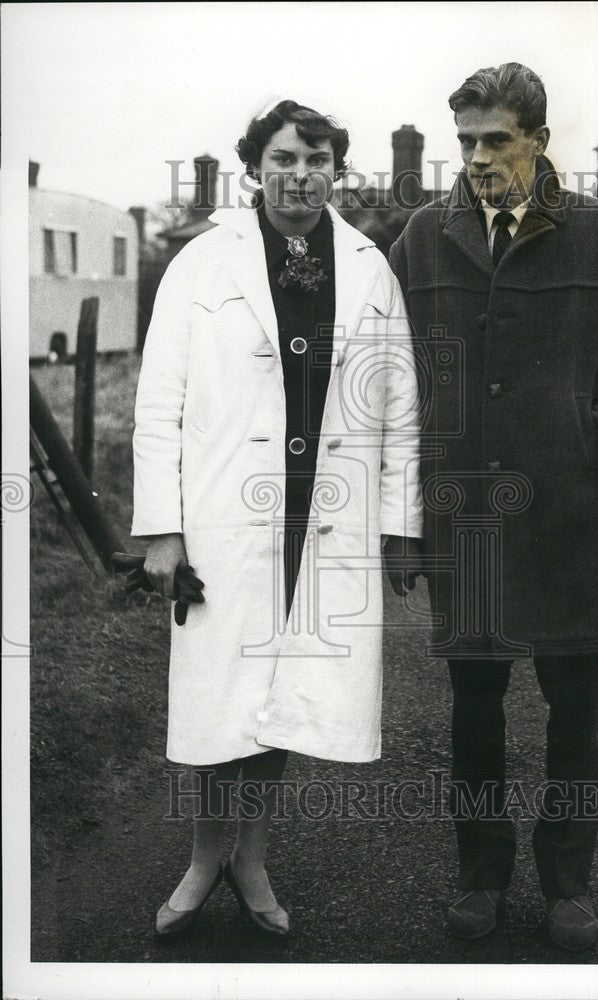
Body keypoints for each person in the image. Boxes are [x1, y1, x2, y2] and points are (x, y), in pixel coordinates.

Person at [389, 63, 598, 950]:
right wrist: (402, 515)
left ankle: (568, 887)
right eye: (465, 142)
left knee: (573, 717)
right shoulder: (421, 240)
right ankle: (480, 879)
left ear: (539, 142)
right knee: (474, 717)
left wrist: (594, 442)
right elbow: (389, 384)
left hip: (569, 526)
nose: (475, 159)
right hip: (464, 528)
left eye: (495, 140)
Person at [132, 100, 423, 937]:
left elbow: (399, 405)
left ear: (339, 168)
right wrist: (163, 527)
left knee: (286, 689)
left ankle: (252, 860)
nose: (302, 174)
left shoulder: (369, 265)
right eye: (285, 158)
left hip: (325, 511)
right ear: (256, 166)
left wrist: (399, 524)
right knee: (219, 692)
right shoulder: (201, 264)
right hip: (226, 512)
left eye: (319, 158)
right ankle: (201, 860)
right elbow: (159, 402)